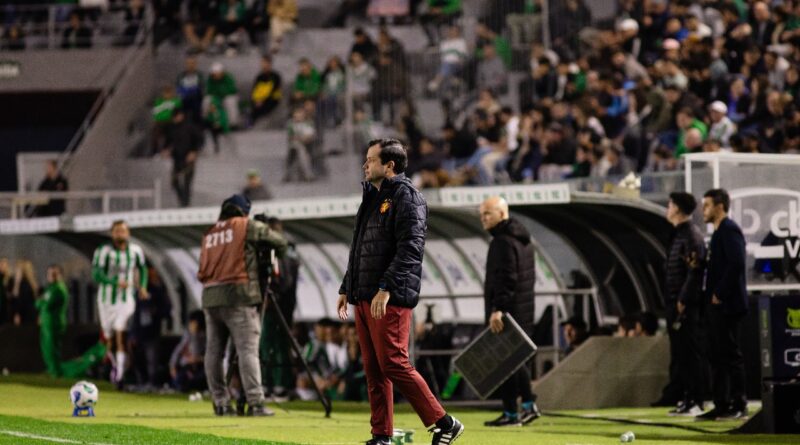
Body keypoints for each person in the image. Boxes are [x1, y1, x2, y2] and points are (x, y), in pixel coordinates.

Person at [336, 139, 464, 445]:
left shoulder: (408, 197)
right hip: (364, 295)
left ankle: (445, 423)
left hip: (388, 297)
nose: (365, 165)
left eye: (370, 160)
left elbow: (410, 249)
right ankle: (381, 435)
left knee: (394, 363)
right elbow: (360, 249)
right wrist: (346, 286)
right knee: (374, 370)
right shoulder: (372, 197)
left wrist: (386, 287)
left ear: (389, 165)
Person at [197, 194, 287, 416]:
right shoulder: (246, 225)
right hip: (239, 294)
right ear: (244, 211)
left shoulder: (210, 232)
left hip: (210, 296)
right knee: (247, 350)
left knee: (214, 351)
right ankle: (256, 402)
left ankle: (221, 402)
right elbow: (280, 242)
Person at [479, 196, 540, 427]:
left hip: (508, 310)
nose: (483, 219)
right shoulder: (522, 239)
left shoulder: (502, 241)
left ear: (502, 214)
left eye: (488, 213)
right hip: (523, 308)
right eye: (482, 214)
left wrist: (499, 309)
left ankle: (521, 408)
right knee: (512, 360)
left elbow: (506, 278)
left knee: (509, 360)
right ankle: (518, 410)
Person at [697, 188, 749, 421]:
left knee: (730, 355)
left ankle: (739, 403)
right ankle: (721, 404)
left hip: (728, 304)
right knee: (716, 355)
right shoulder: (718, 233)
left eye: (707, 205)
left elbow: (737, 263)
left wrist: (720, 291)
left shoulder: (729, 229)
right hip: (715, 305)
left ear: (719, 206)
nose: (703, 210)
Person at [658, 192, 706, 415]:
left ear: (677, 208)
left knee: (689, 352)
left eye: (670, 205)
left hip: (684, 304)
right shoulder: (680, 235)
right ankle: (686, 397)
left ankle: (696, 398)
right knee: (680, 353)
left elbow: (695, 271)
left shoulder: (690, 236)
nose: (667, 209)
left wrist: (683, 299)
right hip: (675, 301)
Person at [91, 220, 148, 389]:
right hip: (106, 300)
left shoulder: (136, 251)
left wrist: (143, 286)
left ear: (128, 233)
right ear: (112, 233)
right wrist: (114, 282)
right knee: (109, 340)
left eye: (123, 230)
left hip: (126, 300)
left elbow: (143, 268)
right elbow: (96, 274)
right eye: (117, 231)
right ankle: (116, 366)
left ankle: (121, 375)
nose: (120, 233)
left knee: (121, 334)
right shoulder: (103, 251)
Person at [259, 216, 299, 400]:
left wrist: (271, 293)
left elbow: (283, 278)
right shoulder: (291, 248)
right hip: (286, 304)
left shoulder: (280, 248)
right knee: (280, 344)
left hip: (275, 303)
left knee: (270, 344)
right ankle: (280, 384)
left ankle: (273, 384)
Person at [130, 266, 172, 389]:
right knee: (138, 359)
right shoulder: (135, 293)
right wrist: (133, 334)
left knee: (152, 359)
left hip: (152, 332)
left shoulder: (156, 291)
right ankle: (141, 383)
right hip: (139, 333)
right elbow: (134, 316)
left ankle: (152, 383)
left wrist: (156, 311)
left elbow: (167, 310)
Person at [36, 265, 69, 377]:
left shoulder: (59, 289)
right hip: (47, 323)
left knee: (52, 349)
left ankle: (56, 372)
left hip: (54, 323)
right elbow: (39, 303)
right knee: (46, 348)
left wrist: (40, 302)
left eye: (54, 274)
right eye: (50, 274)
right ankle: (51, 370)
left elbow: (45, 305)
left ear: (60, 275)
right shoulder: (50, 288)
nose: (51, 276)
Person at [165, 110, 204, 207]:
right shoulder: (172, 128)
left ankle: (185, 204)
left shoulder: (190, 127)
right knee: (174, 181)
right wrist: (167, 149)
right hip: (177, 159)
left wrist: (194, 151)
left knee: (187, 183)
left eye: (176, 116)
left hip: (188, 159)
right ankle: (182, 200)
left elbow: (200, 139)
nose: (175, 119)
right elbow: (168, 141)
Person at [170, 310, 206, 392]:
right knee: (180, 380)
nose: (191, 325)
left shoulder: (205, 336)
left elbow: (210, 356)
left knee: (201, 378)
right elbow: (177, 351)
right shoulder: (188, 335)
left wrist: (198, 359)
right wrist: (172, 365)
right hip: (187, 366)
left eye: (193, 323)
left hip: (201, 367)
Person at [250, 55, 283, 125]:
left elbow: (274, 90)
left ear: (270, 64)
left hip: (272, 98)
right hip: (260, 99)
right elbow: (254, 90)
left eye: (265, 63)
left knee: (266, 105)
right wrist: (256, 100)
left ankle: (261, 122)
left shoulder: (276, 76)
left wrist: (262, 100)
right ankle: (252, 123)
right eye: (262, 63)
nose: (263, 65)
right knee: (254, 105)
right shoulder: (259, 77)